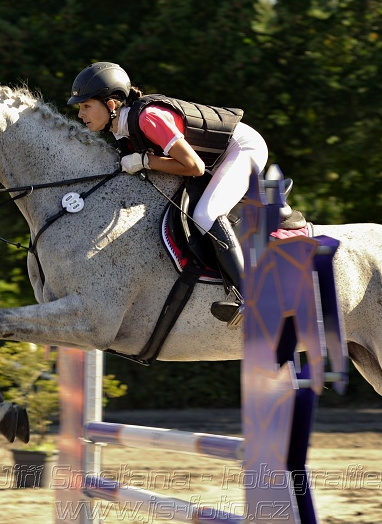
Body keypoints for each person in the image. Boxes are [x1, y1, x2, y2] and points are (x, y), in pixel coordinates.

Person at [67, 62, 268, 326]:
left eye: (86, 106)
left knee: (206, 213)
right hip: (216, 157)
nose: (80, 114)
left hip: (242, 148)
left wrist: (145, 161)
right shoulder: (121, 130)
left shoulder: (147, 118)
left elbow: (193, 167)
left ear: (112, 104)